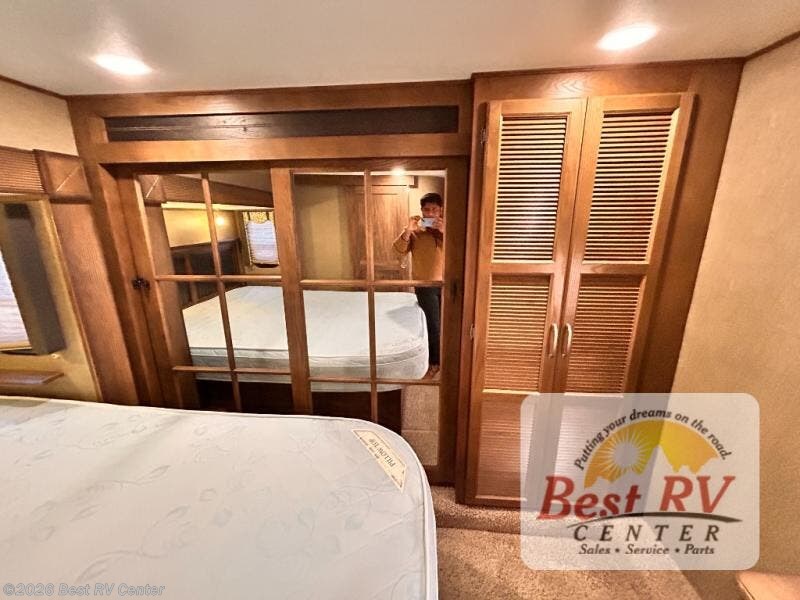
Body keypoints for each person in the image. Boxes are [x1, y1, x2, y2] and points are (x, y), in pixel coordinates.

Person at [393, 192, 444, 379]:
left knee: (449, 324)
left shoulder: (449, 228)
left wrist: (444, 231)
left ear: (441, 210)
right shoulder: (415, 230)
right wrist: (408, 231)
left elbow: (463, 250)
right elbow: (398, 251)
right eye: (426, 210)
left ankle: (445, 358)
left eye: (434, 210)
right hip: (425, 285)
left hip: (449, 285)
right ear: (421, 210)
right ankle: (434, 363)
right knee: (432, 325)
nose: (430, 214)